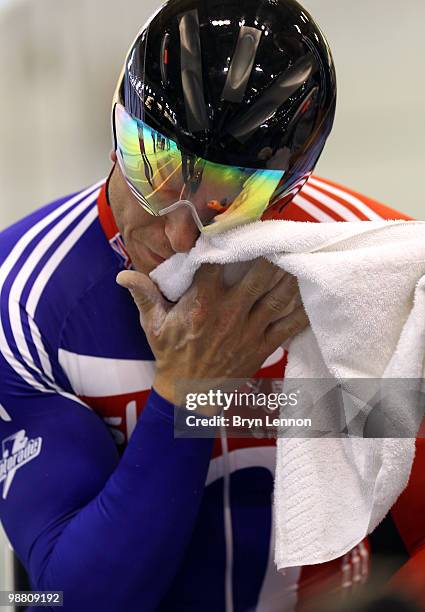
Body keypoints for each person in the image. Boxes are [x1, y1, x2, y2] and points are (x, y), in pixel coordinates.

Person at [0, 0, 424, 611]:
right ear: (114, 119)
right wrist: (190, 392)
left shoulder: (367, 273)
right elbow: (73, 597)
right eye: (158, 169)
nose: (178, 233)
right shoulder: (23, 299)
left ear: (289, 190)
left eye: (233, 197)